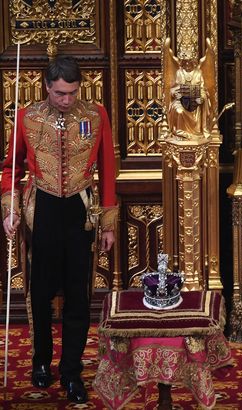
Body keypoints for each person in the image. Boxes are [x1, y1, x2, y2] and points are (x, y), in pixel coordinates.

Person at [1, 55, 117, 403]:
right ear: (47, 87)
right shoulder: (27, 117)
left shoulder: (95, 115)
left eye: (72, 92)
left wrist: (107, 224)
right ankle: (41, 361)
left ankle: (71, 372)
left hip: (80, 209)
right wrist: (10, 210)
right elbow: (11, 169)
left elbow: (107, 168)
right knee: (40, 292)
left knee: (78, 295)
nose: (66, 100)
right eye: (60, 93)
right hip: (43, 209)